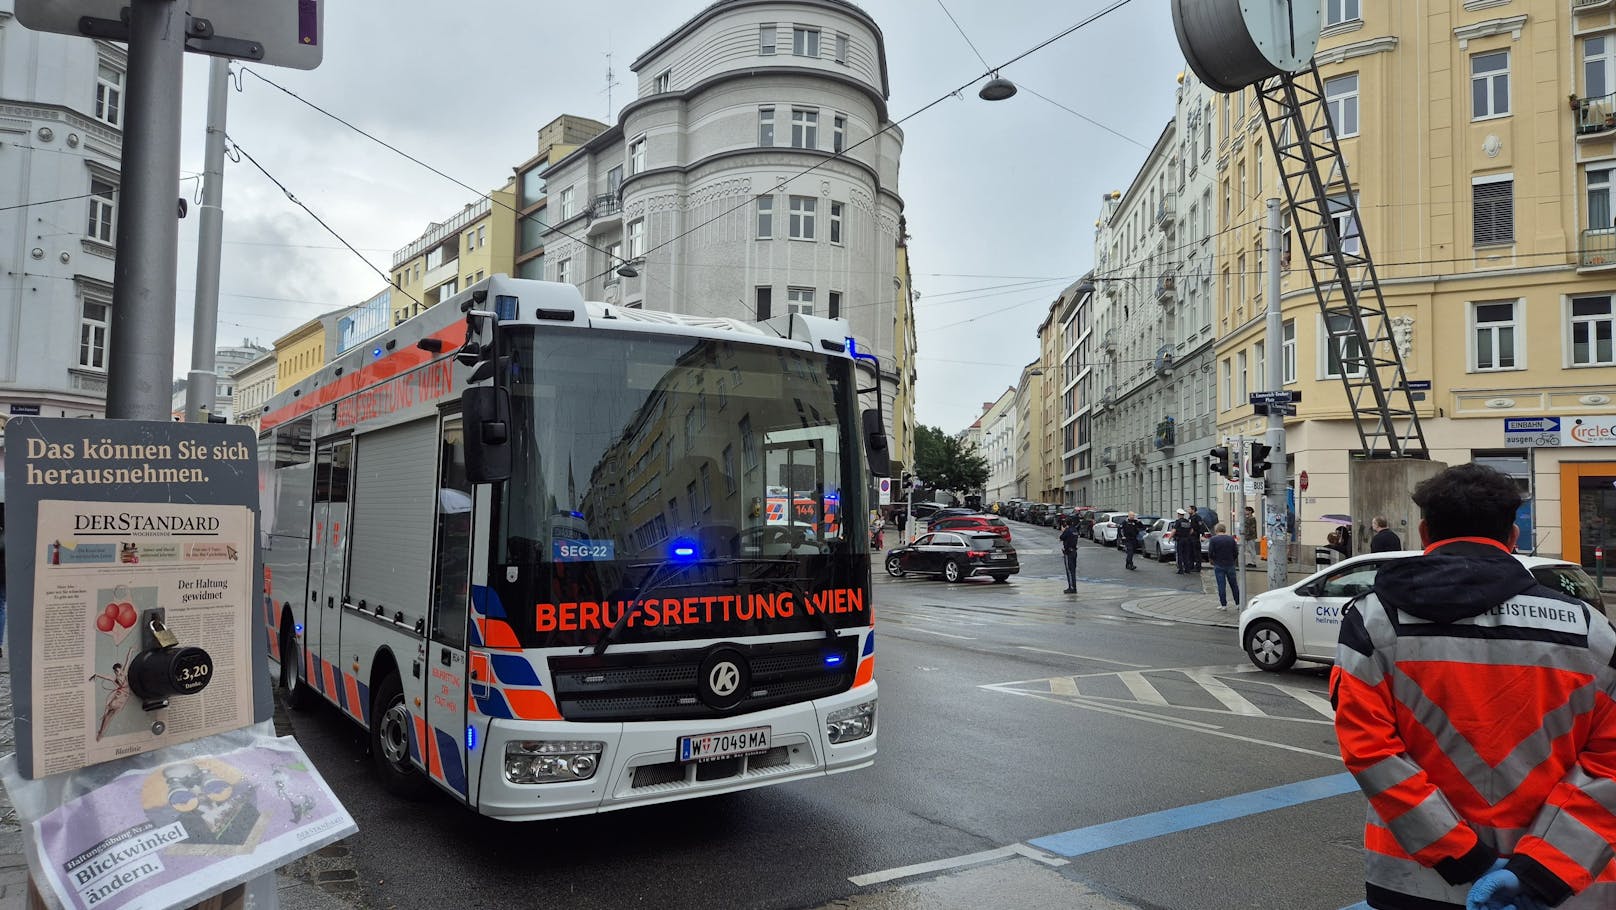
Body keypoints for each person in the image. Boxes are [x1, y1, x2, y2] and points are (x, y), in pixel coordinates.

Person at [1331, 463, 1616, 910]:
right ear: (1513, 537)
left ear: (1424, 531)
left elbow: (1369, 751)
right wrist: (1542, 871)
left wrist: (1462, 856)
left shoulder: (1374, 624)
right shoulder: (1589, 631)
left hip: (1416, 882)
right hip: (1562, 890)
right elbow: (1610, 764)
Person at [1206, 523, 1239, 611]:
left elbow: (1210, 552)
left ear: (1216, 530)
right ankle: (1238, 603)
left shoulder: (1213, 539)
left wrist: (1212, 560)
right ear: (1224, 530)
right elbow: (1235, 551)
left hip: (1219, 564)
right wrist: (1233, 559)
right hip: (1230, 564)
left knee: (1221, 585)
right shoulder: (1231, 539)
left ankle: (1223, 605)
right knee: (1234, 585)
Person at [1058, 519, 1081, 594]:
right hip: (1074, 551)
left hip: (1068, 552)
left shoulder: (1068, 530)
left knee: (1069, 571)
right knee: (1073, 570)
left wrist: (1063, 530)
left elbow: (1061, 537)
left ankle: (1072, 587)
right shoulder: (1075, 530)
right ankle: (1074, 586)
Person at [1171, 509, 1196, 574]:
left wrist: (1169, 538)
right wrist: (1187, 535)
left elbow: (1174, 531)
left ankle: (1181, 570)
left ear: (1179, 514)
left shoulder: (1178, 522)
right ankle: (1187, 569)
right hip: (1187, 540)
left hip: (1180, 539)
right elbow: (1192, 530)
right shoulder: (1187, 521)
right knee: (1186, 554)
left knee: (1180, 554)